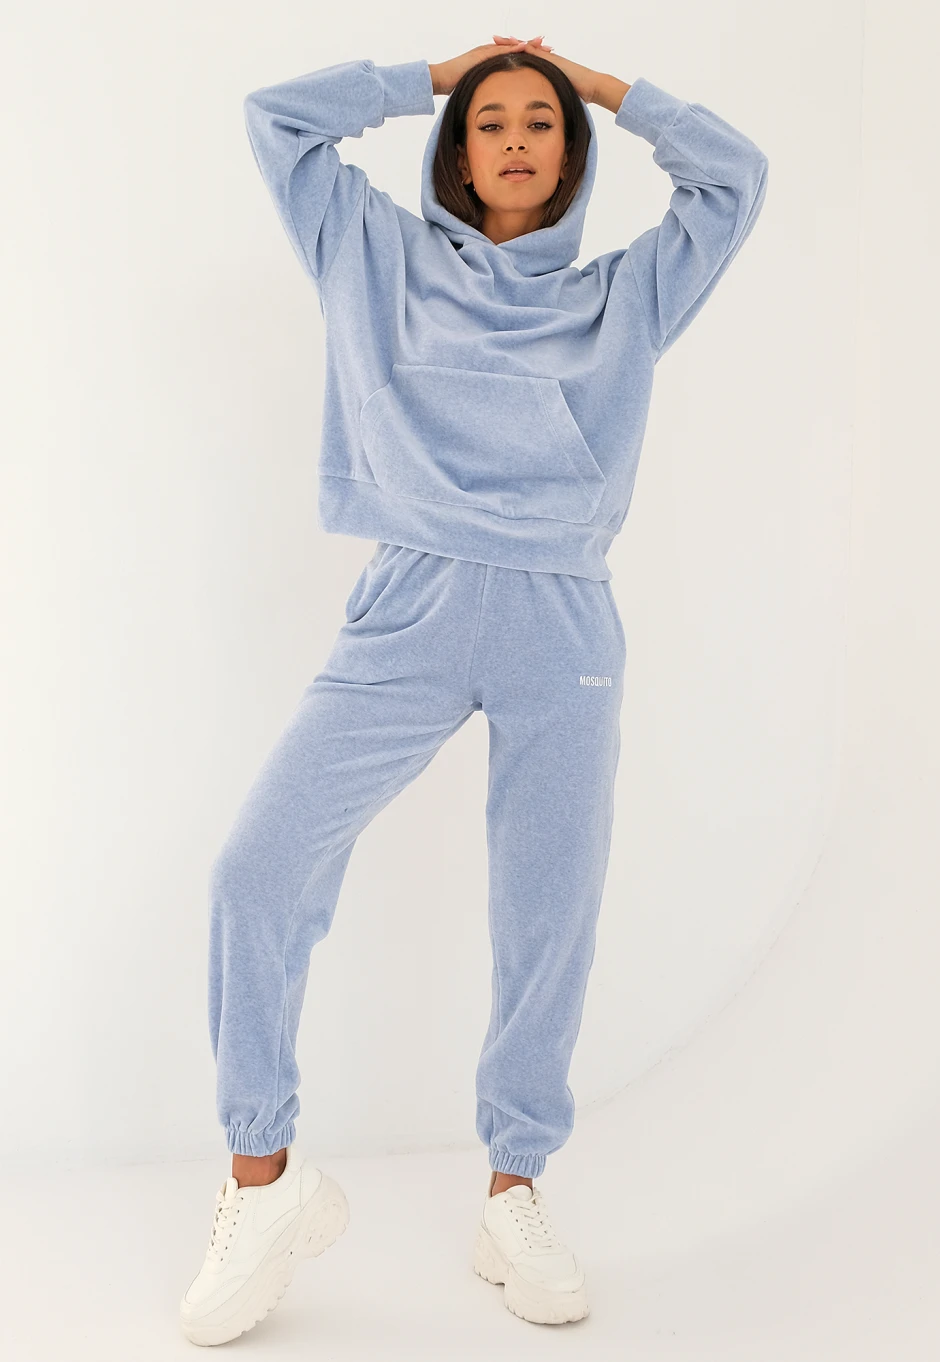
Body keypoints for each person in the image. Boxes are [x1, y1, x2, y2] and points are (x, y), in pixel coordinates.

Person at [179, 35, 769, 1343]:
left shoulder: (627, 294)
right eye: (490, 119)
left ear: (574, 155)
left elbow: (735, 178)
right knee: (257, 872)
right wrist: (430, 77)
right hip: (413, 601)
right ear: (454, 147)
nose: (514, 138)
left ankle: (516, 1189)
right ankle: (263, 1181)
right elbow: (275, 121)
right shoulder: (369, 251)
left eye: (542, 123)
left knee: (548, 910)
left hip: (563, 615)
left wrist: (609, 87)